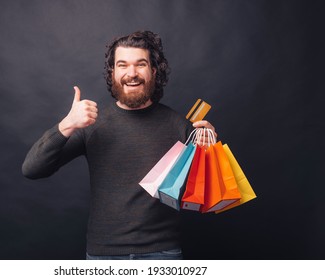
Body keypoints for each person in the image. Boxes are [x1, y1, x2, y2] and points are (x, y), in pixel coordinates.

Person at [22, 30, 217, 260]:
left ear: (154, 71)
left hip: (163, 254)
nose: (131, 74)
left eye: (140, 64)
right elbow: (32, 170)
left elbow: (207, 195)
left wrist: (210, 150)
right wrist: (66, 125)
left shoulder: (179, 125)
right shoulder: (91, 125)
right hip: (104, 255)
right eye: (122, 65)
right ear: (113, 73)